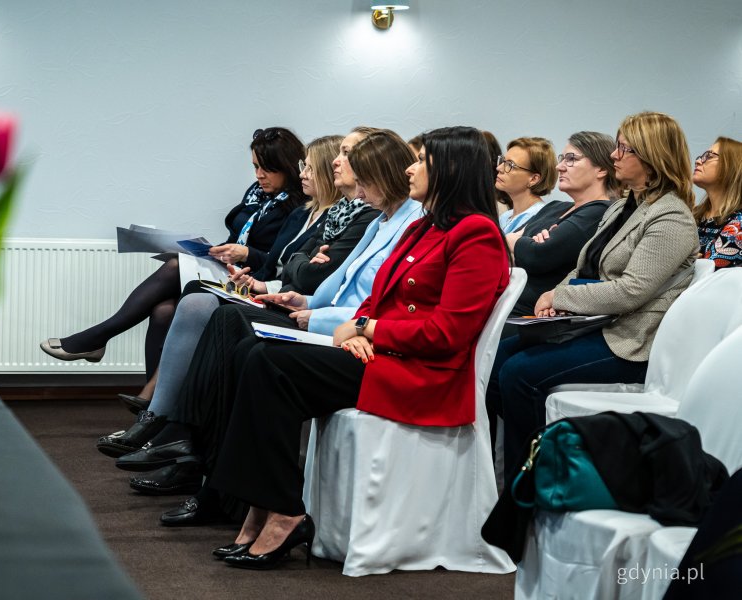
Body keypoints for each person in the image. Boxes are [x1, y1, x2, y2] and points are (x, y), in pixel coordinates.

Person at [203, 125, 510, 570]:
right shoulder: (426, 226)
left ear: (451, 168)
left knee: (269, 362)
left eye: (420, 160)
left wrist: (369, 331)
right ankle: (265, 504)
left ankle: (280, 509)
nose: (410, 167)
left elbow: (448, 334)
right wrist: (358, 327)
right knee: (253, 353)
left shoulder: (475, 235)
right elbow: (376, 298)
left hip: (423, 376)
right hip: (384, 357)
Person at [118, 130, 424, 524]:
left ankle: (189, 447)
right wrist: (303, 299)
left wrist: (314, 307)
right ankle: (191, 449)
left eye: (350, 160)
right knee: (217, 314)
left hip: (342, 329)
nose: (338, 166)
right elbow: (324, 276)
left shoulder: (399, 221)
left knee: (230, 325)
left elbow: (338, 282)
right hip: (320, 313)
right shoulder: (379, 220)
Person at [95, 130, 381, 461]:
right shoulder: (317, 214)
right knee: (171, 306)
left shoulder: (356, 217)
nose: (307, 172)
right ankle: (167, 425)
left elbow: (306, 273)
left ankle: (168, 424)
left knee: (209, 309)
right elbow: (290, 266)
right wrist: (265, 278)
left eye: (311, 167)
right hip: (287, 297)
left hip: (312, 311)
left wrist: (269, 274)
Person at [486, 111, 700, 476]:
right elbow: (586, 268)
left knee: (519, 373)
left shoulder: (671, 218)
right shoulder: (624, 206)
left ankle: (535, 482)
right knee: (496, 360)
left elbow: (632, 290)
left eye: (624, 148)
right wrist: (555, 294)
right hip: (594, 322)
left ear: (651, 156)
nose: (615, 155)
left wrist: (561, 298)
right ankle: (503, 477)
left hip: (629, 340)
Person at [39, 127, 306, 400]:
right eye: (255, 167)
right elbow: (239, 237)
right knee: (163, 309)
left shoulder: (300, 206)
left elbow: (278, 261)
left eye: (267, 169)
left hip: (254, 283)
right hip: (231, 272)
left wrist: (246, 254)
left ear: (287, 167)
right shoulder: (258, 194)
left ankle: (99, 339)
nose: (259, 175)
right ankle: (154, 405)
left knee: (175, 267)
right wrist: (221, 252)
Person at [501, 131, 620, 330]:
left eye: (571, 159)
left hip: (530, 316)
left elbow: (538, 255)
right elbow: (501, 249)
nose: (559, 167)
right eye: (562, 159)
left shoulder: (599, 212)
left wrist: (517, 242)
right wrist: (524, 243)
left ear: (601, 169)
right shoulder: (555, 207)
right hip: (504, 302)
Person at [692, 136, 742, 269]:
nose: (697, 161)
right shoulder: (694, 215)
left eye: (709, 156)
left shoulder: (739, 224)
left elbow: (706, 274)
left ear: (731, 166)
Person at [496, 137, 557, 233]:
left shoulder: (539, 219)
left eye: (510, 165)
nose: (499, 168)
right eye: (503, 161)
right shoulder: (505, 217)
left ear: (533, 179)